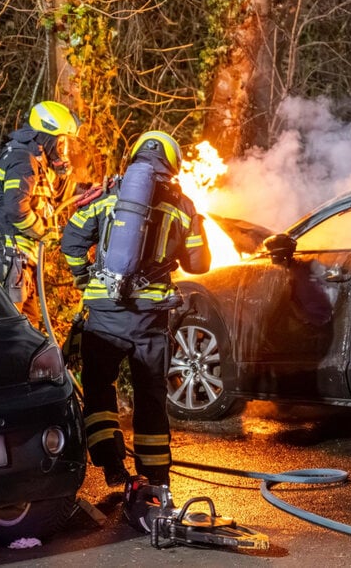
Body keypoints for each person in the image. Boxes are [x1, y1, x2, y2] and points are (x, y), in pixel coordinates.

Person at [60, 130, 211, 487]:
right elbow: (199, 264)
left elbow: (70, 242)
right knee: (151, 393)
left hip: (104, 314)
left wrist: (85, 279)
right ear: (171, 165)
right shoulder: (182, 205)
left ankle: (112, 465)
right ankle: (155, 477)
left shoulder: (106, 195)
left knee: (98, 387)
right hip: (149, 318)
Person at [0, 100, 79, 328]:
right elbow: (16, 209)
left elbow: (55, 196)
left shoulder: (35, 162)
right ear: (48, 136)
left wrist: (71, 178)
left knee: (28, 328)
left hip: (18, 261)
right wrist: (43, 231)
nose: (63, 147)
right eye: (61, 141)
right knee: (12, 331)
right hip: (5, 257)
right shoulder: (23, 160)